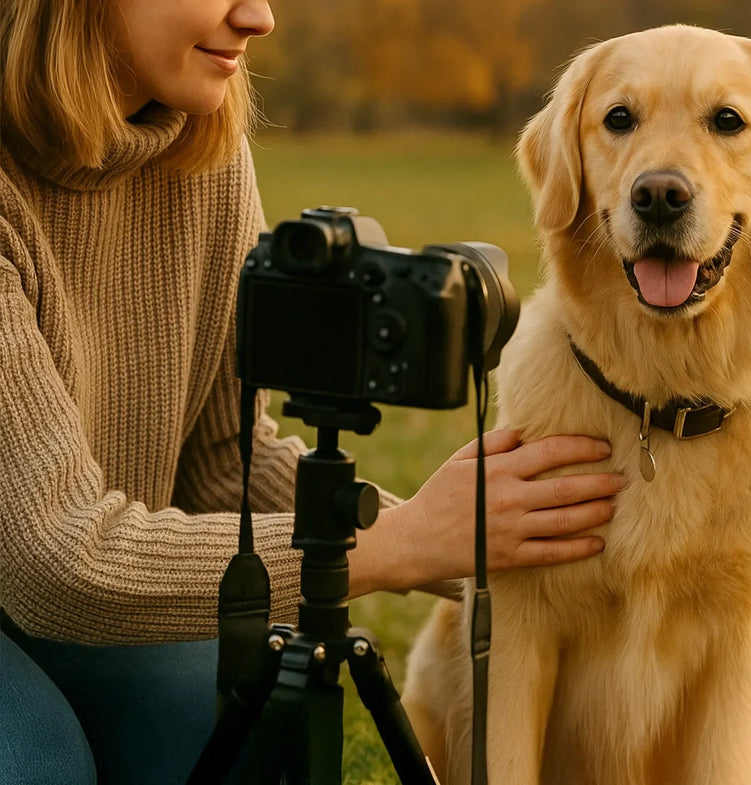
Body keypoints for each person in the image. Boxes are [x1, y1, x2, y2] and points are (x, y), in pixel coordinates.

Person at [0, 1, 623, 783]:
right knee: (41, 762)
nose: (258, 16)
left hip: (67, 603)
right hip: (49, 582)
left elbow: (221, 464)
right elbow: (55, 561)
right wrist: (395, 547)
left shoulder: (201, 150)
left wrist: (471, 549)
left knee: (247, 725)